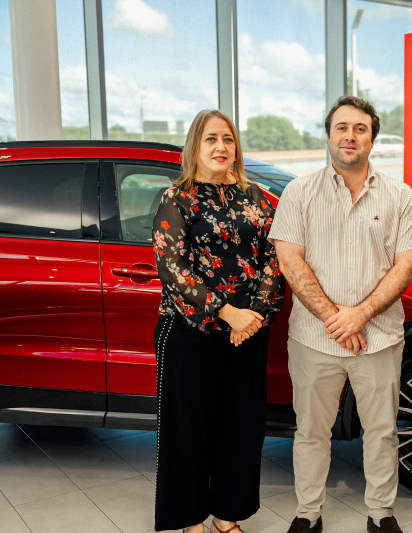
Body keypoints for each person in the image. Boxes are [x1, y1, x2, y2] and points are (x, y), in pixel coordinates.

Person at [269, 96, 412, 533]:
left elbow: (408, 262)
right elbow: (290, 260)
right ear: (328, 135)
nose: (350, 136)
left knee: (381, 432)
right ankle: (308, 513)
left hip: (378, 337)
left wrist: (360, 314)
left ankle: (380, 514)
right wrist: (335, 318)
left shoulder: (399, 195)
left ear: (373, 137)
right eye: (341, 127)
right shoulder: (299, 193)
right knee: (310, 434)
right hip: (312, 338)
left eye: (360, 128)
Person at [152, 109, 285, 533]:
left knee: (242, 429)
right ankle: (191, 521)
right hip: (191, 331)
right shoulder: (176, 198)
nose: (221, 147)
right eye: (211, 139)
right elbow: (173, 268)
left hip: (247, 332)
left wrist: (256, 316)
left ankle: (227, 518)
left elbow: (274, 258)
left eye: (227, 139)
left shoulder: (258, 197)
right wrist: (228, 313)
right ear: (196, 145)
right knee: (189, 430)